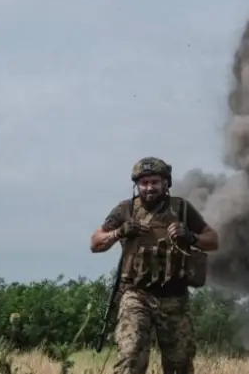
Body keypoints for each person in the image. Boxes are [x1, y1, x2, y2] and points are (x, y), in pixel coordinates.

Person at [90, 157, 219, 374]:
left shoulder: (181, 209)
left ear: (165, 184)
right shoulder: (126, 209)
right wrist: (118, 232)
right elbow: (95, 242)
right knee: (131, 357)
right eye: (144, 182)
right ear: (137, 185)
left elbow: (213, 240)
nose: (149, 187)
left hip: (174, 297)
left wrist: (190, 236)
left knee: (180, 365)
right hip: (136, 294)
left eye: (155, 182)